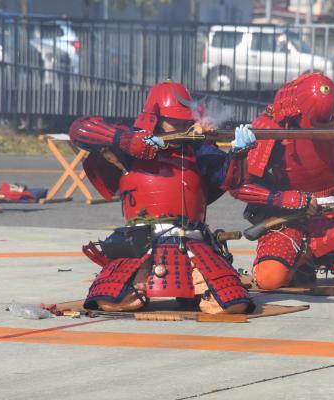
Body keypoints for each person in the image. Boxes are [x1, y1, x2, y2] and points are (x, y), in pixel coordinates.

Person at [69, 80, 255, 314]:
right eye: (172, 120)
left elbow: (229, 180)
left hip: (193, 242)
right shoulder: (131, 145)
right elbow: (78, 129)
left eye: (182, 119)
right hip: (141, 243)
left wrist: (238, 154)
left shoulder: (198, 148)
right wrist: (125, 140)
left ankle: (198, 286)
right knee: (112, 301)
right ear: (155, 116)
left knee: (228, 304)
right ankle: (140, 282)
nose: (179, 124)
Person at [231, 73, 334, 291]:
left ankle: (329, 259)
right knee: (269, 279)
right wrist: (281, 198)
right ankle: (299, 262)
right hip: (288, 216)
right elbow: (239, 185)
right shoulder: (272, 124)